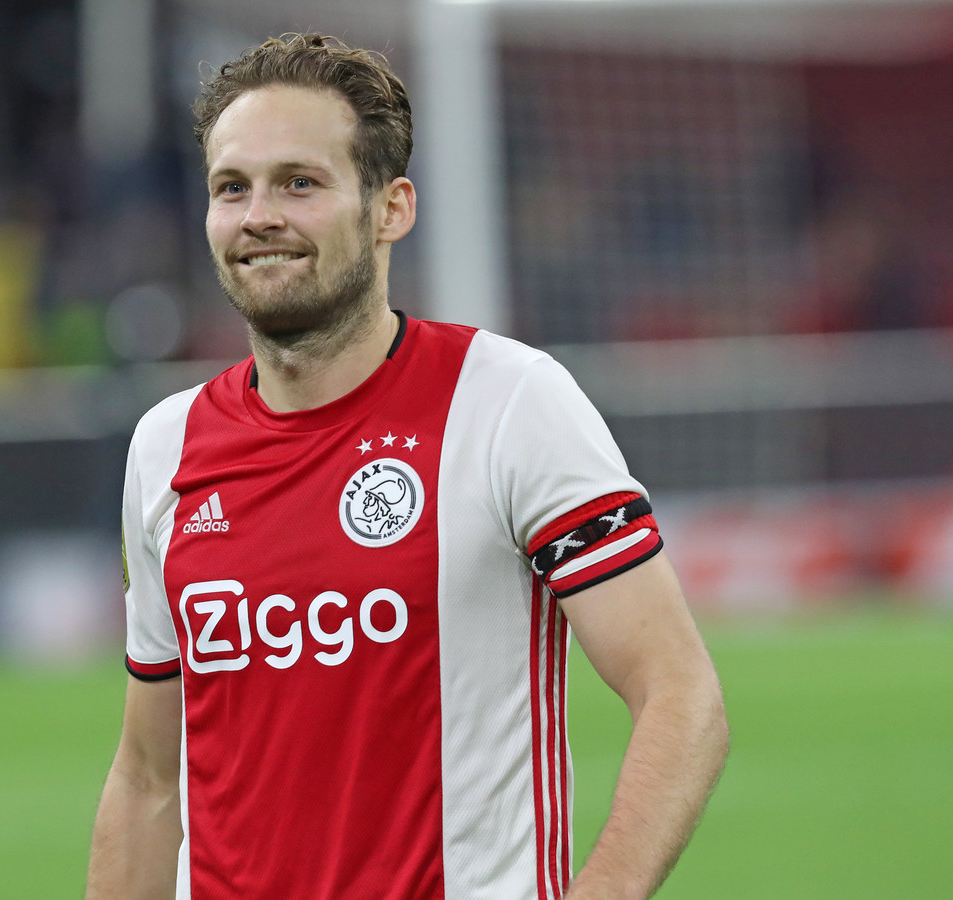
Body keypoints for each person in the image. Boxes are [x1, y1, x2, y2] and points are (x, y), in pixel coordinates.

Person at [86, 34, 728, 900]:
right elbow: (147, 778)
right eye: (231, 187)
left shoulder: (507, 402)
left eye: (299, 183)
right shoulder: (166, 446)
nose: (258, 215)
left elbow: (679, 695)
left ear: (390, 209)